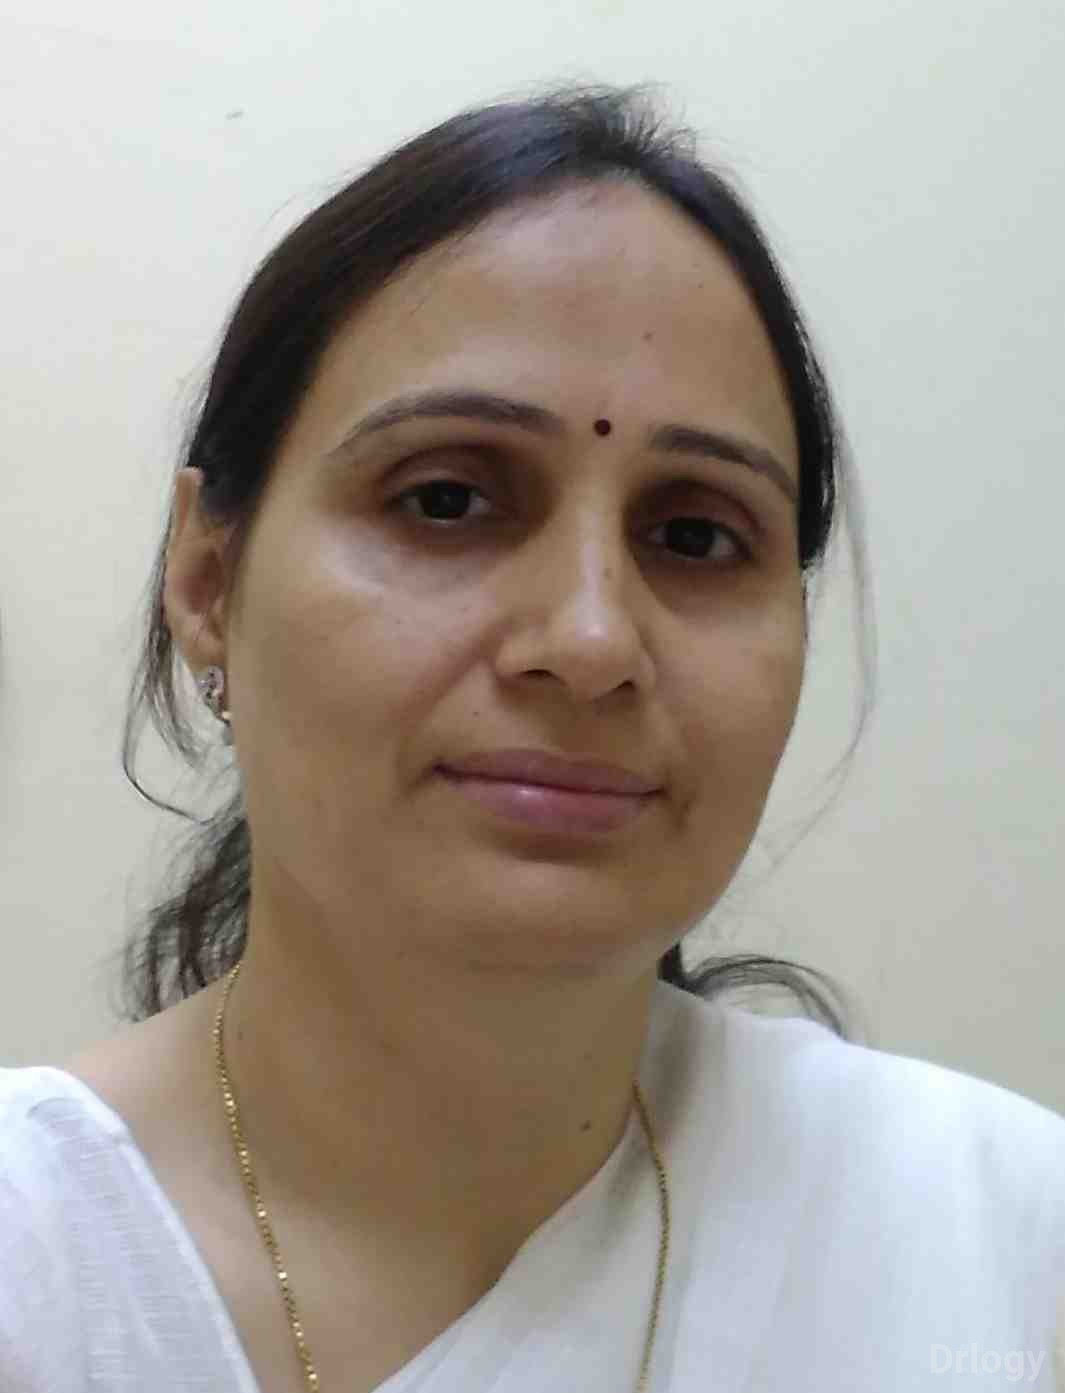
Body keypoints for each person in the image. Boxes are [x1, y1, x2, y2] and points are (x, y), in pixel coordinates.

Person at [1, 84, 1063, 1393]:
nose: (592, 638)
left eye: (694, 534)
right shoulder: (38, 1268)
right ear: (207, 579)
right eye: (447, 499)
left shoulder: (994, 1255)